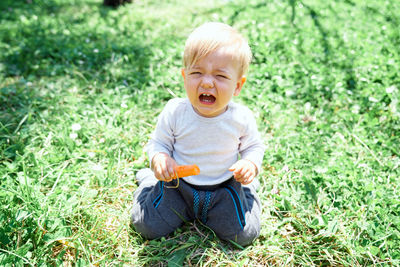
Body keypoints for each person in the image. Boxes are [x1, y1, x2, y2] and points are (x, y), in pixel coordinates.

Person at [131, 22, 265, 246]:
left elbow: (254, 147)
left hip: (224, 187)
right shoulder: (175, 111)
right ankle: (147, 183)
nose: (206, 82)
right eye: (197, 72)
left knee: (244, 235)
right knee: (146, 225)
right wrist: (159, 158)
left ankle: (248, 191)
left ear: (238, 86)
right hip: (177, 185)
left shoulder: (240, 117)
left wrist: (251, 164)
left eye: (220, 76)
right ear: (185, 77)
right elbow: (158, 143)